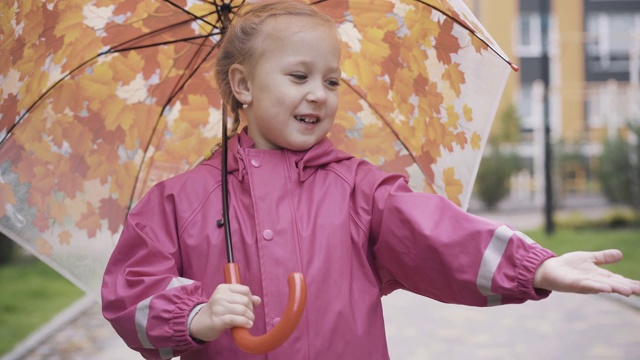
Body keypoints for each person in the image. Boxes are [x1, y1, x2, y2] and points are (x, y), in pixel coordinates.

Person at [101, 1, 640, 359]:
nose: (319, 93)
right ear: (241, 84)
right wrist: (196, 315)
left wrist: (538, 266)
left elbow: (439, 235)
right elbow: (133, 295)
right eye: (298, 76)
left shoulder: (358, 190)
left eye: (331, 80)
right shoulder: (181, 201)